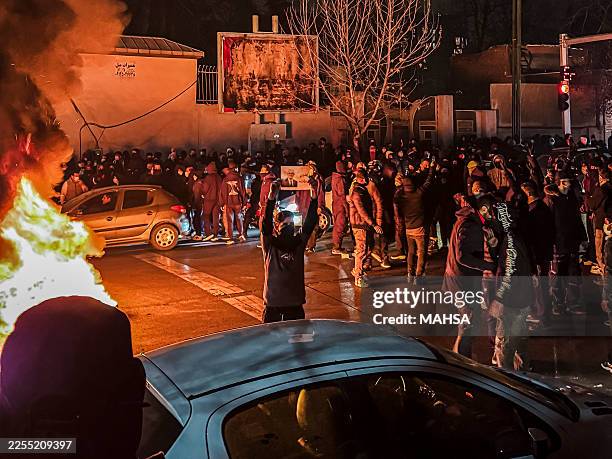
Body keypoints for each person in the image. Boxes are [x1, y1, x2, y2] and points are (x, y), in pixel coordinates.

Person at [444, 195, 497, 358]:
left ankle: (460, 355)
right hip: (461, 281)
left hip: (458, 279)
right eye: (491, 211)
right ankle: (461, 359)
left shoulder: (468, 222)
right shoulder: (470, 226)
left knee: (467, 320)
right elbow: (463, 257)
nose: (493, 215)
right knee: (468, 320)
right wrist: (489, 266)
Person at [260, 179, 319, 322]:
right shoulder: (270, 245)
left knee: (297, 342)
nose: (288, 226)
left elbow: (310, 222)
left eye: (291, 224)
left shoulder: (298, 243)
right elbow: (266, 223)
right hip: (273, 305)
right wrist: (271, 197)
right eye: (285, 224)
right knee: (271, 342)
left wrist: (314, 195)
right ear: (277, 227)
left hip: (294, 304)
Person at [544, 171, 587, 314]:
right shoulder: (552, 200)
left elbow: (576, 218)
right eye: (566, 181)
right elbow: (548, 223)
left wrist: (583, 237)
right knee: (558, 274)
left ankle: (573, 302)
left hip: (572, 241)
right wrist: (551, 242)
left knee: (574, 272)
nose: (569, 183)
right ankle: (558, 302)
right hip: (558, 242)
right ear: (560, 182)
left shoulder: (572, 198)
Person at [394, 157, 435, 283]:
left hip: (408, 228)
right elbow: (428, 182)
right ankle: (419, 275)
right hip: (420, 228)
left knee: (411, 252)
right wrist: (432, 168)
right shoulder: (418, 193)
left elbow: (396, 197)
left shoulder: (401, 197)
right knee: (421, 252)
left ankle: (409, 273)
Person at [349, 169, 383, 288]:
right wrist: (373, 224)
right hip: (359, 225)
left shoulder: (362, 190)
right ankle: (358, 275)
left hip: (364, 225)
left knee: (368, 249)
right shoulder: (357, 193)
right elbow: (361, 211)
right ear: (361, 179)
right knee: (362, 250)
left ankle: (357, 270)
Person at [587, 168, 612, 275]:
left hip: (602, 222)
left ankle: (603, 269)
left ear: (601, 177)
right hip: (608, 222)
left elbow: (592, 204)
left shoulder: (601, 189)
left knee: (600, 247)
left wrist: (588, 198)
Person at [219, 161, 246, 244]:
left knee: (229, 220)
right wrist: (244, 203)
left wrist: (222, 203)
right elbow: (243, 191)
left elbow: (222, 192)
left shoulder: (225, 179)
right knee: (239, 218)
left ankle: (230, 237)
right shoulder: (239, 178)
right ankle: (241, 234)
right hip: (237, 202)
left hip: (228, 202)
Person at [331, 160, 350, 255]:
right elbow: (343, 196)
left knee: (338, 225)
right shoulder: (340, 180)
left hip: (336, 204)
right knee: (340, 226)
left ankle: (337, 245)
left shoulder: (335, 178)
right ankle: (336, 247)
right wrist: (347, 210)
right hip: (340, 205)